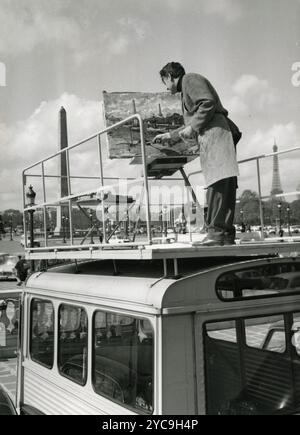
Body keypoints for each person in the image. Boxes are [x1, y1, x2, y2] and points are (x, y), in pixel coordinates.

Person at [153, 62, 241, 246]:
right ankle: (223, 234)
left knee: (218, 184)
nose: (166, 88)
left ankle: (217, 234)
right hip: (212, 133)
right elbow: (195, 119)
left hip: (215, 133)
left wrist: (193, 127)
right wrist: (171, 135)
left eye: (165, 82)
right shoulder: (187, 87)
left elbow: (207, 102)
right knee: (221, 183)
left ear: (170, 76)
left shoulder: (189, 80)